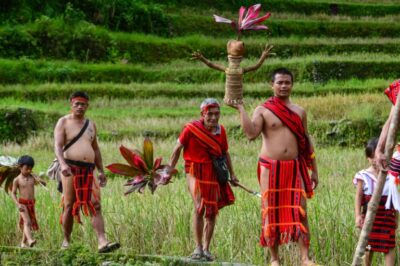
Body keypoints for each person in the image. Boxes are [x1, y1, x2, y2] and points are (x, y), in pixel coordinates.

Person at [230, 68, 319, 266]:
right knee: (270, 210)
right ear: (272, 85)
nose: (284, 86)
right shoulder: (263, 110)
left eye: (287, 82)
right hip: (269, 168)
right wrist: (241, 109)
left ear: (292, 85)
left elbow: (306, 140)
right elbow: (251, 133)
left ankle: (305, 258)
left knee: (301, 210)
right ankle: (274, 259)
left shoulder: (299, 111)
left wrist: (314, 170)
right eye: (280, 82)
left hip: (295, 167)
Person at [168, 98, 239, 261]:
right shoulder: (191, 129)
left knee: (212, 212)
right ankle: (198, 247)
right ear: (202, 114)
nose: (214, 118)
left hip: (212, 172)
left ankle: (206, 249)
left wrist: (232, 174)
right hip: (194, 169)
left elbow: (225, 152)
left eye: (217, 114)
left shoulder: (221, 131)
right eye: (210, 114)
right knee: (200, 206)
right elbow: (177, 148)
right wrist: (168, 170)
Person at [54, 91, 120, 253]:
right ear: (71, 104)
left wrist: (101, 171)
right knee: (69, 205)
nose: (79, 107)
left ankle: (102, 242)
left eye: (83, 104)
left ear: (87, 106)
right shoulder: (63, 122)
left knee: (95, 204)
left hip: (89, 170)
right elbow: (57, 146)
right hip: (70, 168)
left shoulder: (90, 124)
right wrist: (62, 164)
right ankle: (66, 241)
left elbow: (95, 149)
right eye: (77, 104)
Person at [354, 138, 398, 266]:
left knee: (389, 246)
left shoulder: (390, 175)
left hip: (386, 215)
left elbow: (393, 196)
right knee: (367, 244)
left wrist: (397, 217)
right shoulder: (363, 175)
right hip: (369, 216)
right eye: (371, 157)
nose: (374, 160)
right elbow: (358, 197)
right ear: (367, 158)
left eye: (376, 156)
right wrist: (357, 216)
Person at [11, 155, 46, 248]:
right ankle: (30, 240)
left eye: (31, 168)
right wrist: (17, 204)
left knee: (28, 223)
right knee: (27, 222)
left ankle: (23, 243)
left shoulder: (32, 177)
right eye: (27, 168)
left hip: (31, 203)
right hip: (22, 203)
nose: (29, 170)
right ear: (20, 167)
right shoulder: (17, 180)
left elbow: (44, 184)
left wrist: (39, 179)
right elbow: (13, 193)